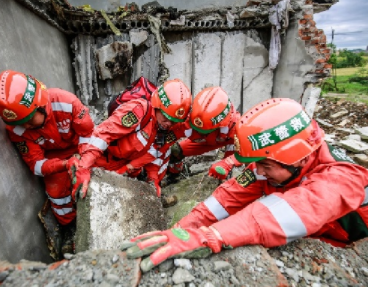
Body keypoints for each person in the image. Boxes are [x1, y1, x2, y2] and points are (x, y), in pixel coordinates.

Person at [121, 98, 368, 272]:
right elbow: (225, 199)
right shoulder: (277, 165)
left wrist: (213, 236)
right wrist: (180, 230)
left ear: (298, 157)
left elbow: (291, 209)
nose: (257, 171)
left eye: (265, 165)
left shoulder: (343, 177)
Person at [0, 70, 94, 255]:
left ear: (40, 106)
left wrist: (83, 162)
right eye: (21, 123)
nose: (26, 127)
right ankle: (69, 228)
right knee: (56, 191)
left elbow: (88, 134)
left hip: (81, 148)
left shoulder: (67, 102)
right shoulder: (17, 128)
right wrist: (63, 165)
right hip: (56, 159)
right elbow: (36, 165)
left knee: (105, 170)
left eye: (29, 120)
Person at [69, 78, 192, 199]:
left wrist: (152, 180)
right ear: (157, 105)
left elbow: (155, 152)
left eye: (174, 121)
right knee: (88, 194)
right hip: (104, 160)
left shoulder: (161, 127)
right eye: (166, 117)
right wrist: (84, 167)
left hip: (129, 165)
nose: (169, 124)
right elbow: (102, 135)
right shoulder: (138, 111)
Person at [166, 86, 242, 184]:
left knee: (223, 172)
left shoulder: (236, 126)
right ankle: (175, 174)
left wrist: (227, 164)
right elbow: (168, 137)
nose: (200, 131)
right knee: (175, 151)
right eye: (197, 128)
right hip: (202, 141)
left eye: (203, 130)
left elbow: (243, 152)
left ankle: (226, 185)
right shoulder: (188, 119)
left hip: (227, 140)